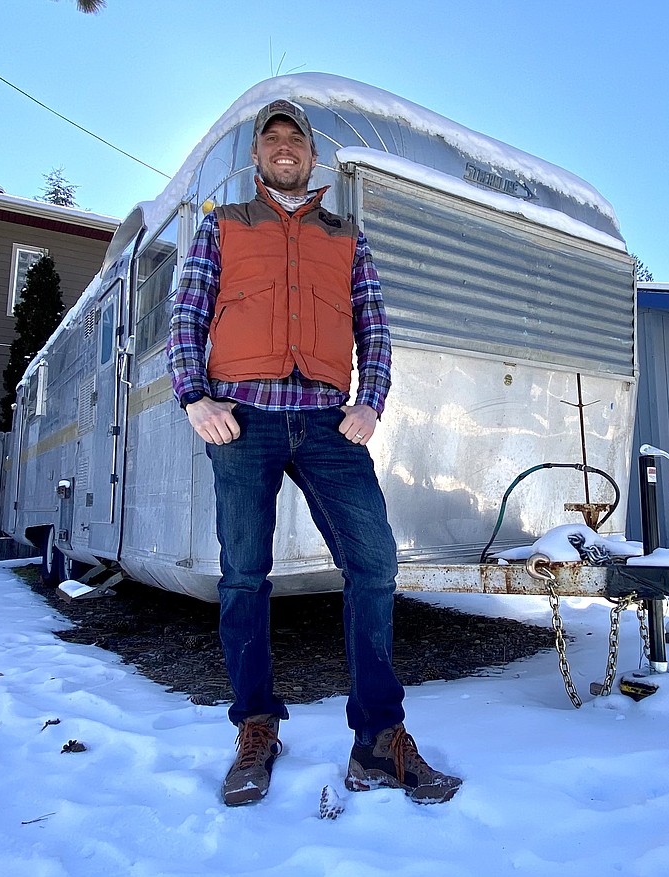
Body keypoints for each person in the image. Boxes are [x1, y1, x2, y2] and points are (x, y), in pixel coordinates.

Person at [167, 99, 462, 807]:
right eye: (269, 138)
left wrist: (371, 400)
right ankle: (257, 729)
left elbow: (375, 326)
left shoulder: (345, 236)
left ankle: (378, 741)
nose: (281, 147)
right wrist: (192, 396)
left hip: (328, 421)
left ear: (310, 153)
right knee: (243, 575)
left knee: (375, 564)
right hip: (242, 419)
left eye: (293, 136)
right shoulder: (225, 225)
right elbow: (187, 313)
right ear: (258, 157)